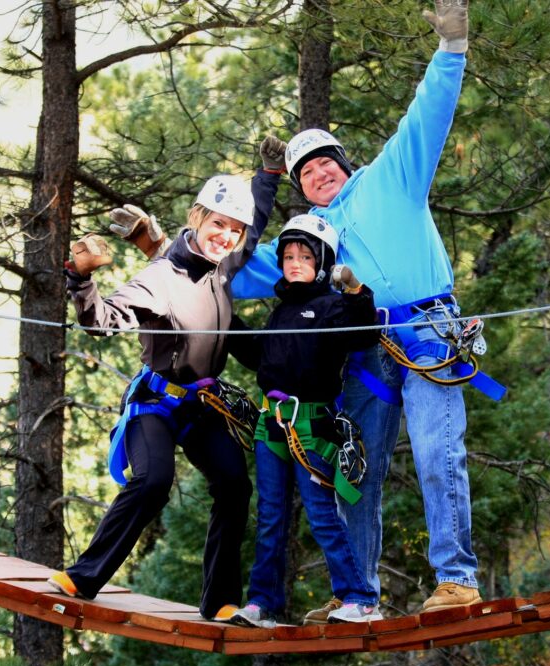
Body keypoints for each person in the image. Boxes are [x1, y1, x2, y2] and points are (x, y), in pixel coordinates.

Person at [232, 0, 502, 617]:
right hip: (360, 352)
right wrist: (164, 247)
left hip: (428, 332)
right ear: (298, 186)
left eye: (326, 160)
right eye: (305, 170)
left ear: (345, 164)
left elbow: (425, 118)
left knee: (439, 453)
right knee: (355, 469)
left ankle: (457, 581)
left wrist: (452, 49)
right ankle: (358, 596)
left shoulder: (390, 179)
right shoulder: (307, 240)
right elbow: (236, 268)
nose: (318, 171)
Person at [46, 144, 282, 621]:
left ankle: (220, 602)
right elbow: (102, 322)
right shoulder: (161, 277)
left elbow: (253, 222)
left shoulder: (228, 263)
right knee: (154, 481)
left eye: (232, 230)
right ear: (197, 217)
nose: (226, 236)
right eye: (218, 224)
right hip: (155, 404)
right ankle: (84, 576)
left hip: (203, 407)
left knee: (235, 486)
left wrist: (269, 174)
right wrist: (81, 278)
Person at [226, 214, 382, 627]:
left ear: (322, 261)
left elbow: (364, 333)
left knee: (321, 514)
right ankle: (263, 603)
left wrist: (353, 289)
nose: (294, 262)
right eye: (288, 255)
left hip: (311, 425)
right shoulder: (280, 313)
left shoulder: (332, 306)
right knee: (270, 516)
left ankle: (360, 598)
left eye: (305, 256)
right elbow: (259, 357)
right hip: (271, 424)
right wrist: (226, 324)